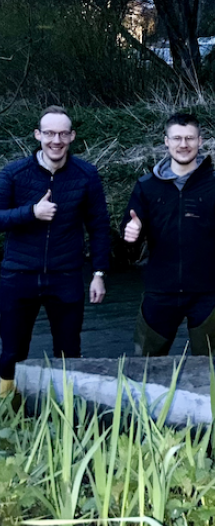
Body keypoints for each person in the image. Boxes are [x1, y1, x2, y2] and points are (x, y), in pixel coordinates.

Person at [0, 107, 110, 399]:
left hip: (66, 276)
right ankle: (8, 417)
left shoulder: (86, 174)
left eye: (63, 133)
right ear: (38, 135)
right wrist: (31, 212)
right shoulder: (14, 173)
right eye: (49, 133)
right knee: (12, 351)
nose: (56, 140)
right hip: (18, 276)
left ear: (72, 136)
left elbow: (99, 226)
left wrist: (99, 273)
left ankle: (68, 419)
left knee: (69, 352)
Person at [121, 113, 215, 357]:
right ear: (166, 142)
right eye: (177, 138)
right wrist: (131, 233)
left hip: (208, 290)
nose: (183, 144)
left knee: (208, 364)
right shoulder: (146, 185)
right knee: (146, 364)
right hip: (160, 289)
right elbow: (129, 230)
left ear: (200, 141)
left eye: (190, 138)